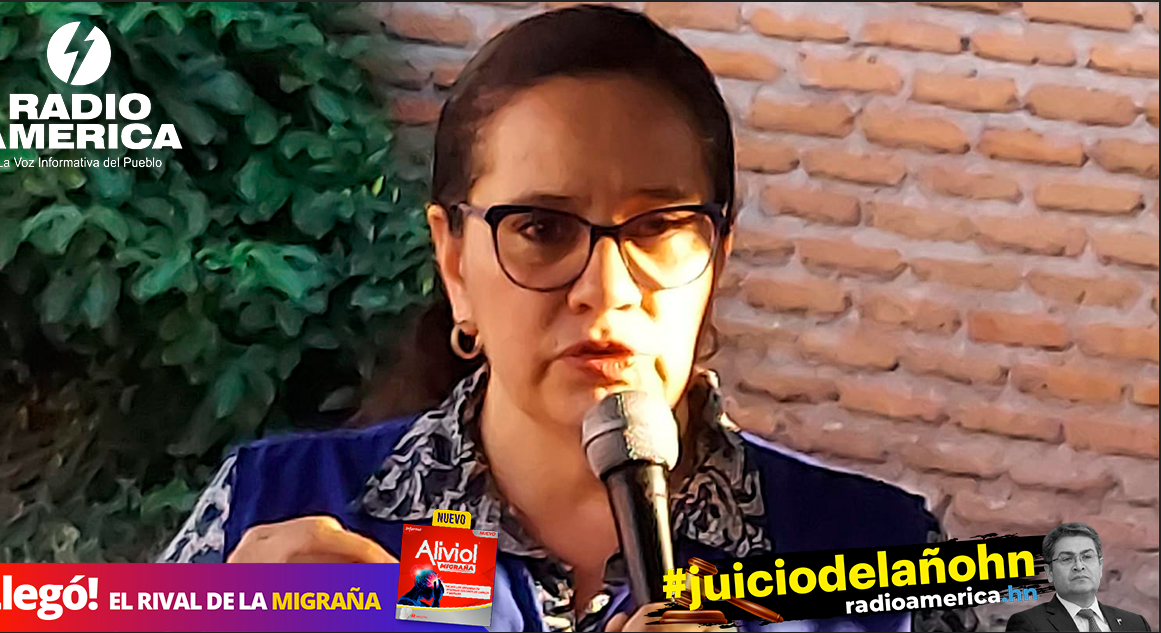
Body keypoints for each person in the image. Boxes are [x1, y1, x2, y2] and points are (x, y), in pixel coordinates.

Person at [158, 6, 975, 632]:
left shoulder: (878, 561)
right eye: (542, 229)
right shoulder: (275, 513)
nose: (605, 288)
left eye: (658, 227)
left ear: (717, 256)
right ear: (454, 261)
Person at [1006, 523, 1151, 632]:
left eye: (1087, 557)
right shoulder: (1028, 624)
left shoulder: (1136, 624)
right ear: (1049, 571)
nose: (1079, 566)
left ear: (1100, 566)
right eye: (1066, 559)